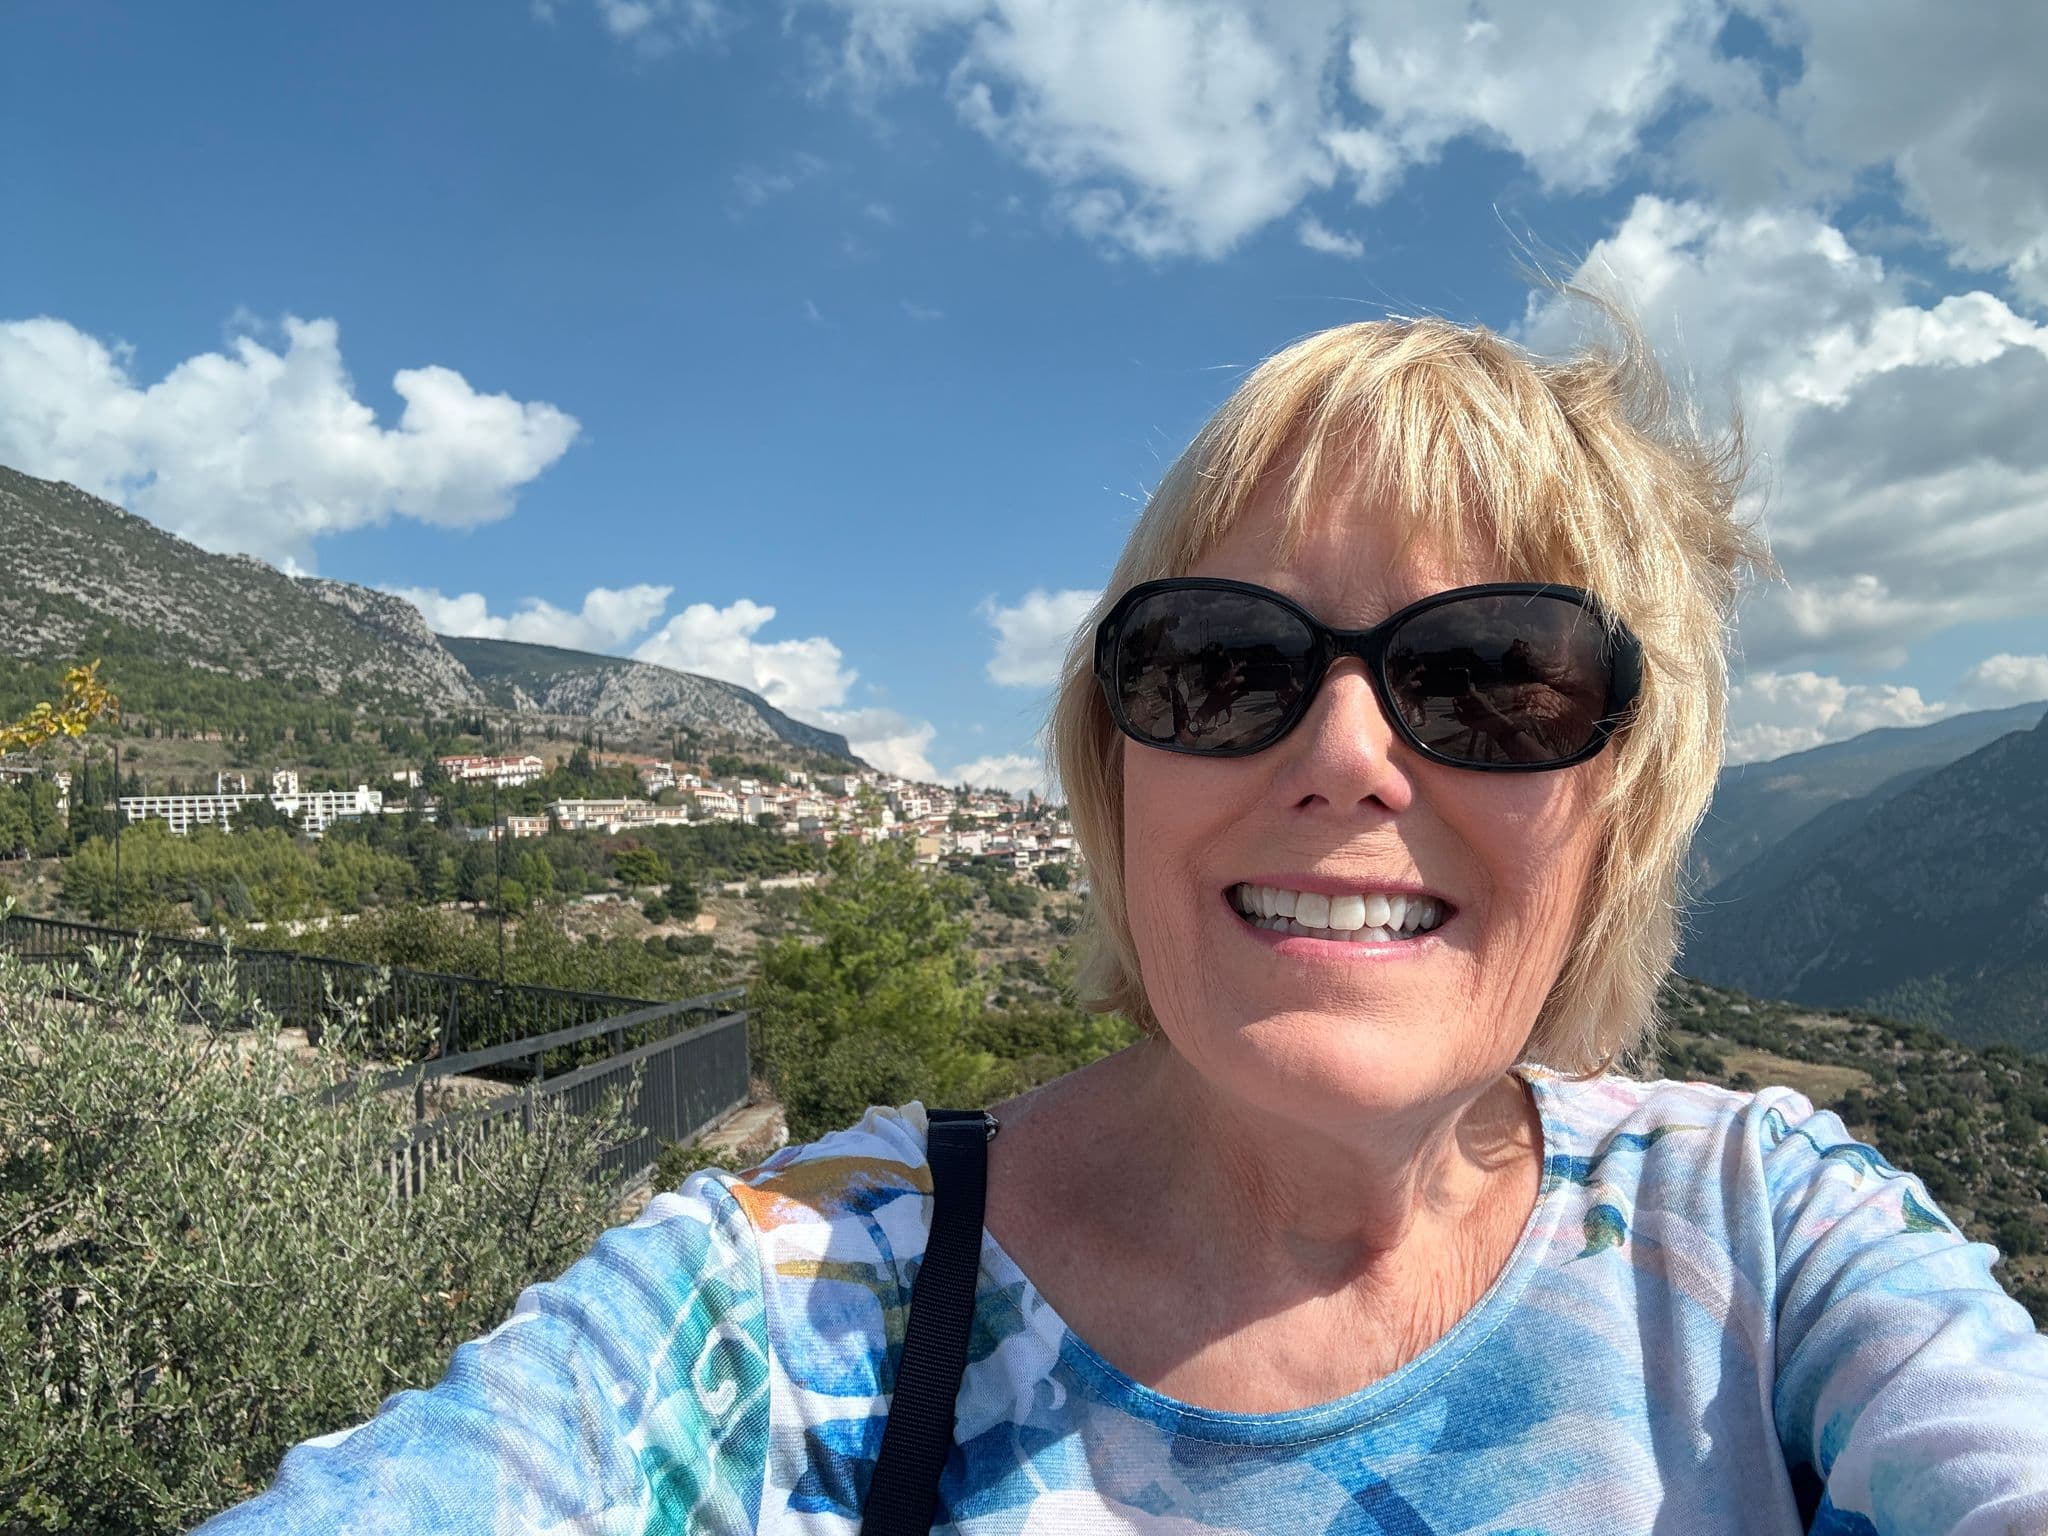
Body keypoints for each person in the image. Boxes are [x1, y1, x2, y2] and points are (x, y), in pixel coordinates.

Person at [196, 310, 2048, 1534]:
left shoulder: (1772, 1241)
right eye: (1225, 664)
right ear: (1115, 768)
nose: (1346, 757)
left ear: (1625, 799)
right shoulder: (799, 1305)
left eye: (1495, 678)